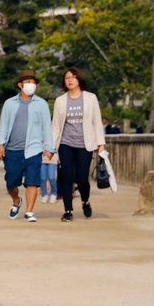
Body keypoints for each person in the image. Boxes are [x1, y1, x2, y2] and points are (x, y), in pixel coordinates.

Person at [0, 69, 55, 223]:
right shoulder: (9, 103)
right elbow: (4, 126)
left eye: (33, 82)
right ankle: (16, 201)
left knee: (32, 181)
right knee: (11, 183)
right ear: (20, 85)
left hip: (33, 149)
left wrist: (49, 147)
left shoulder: (42, 104)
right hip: (12, 150)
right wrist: (0, 144)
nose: (31, 85)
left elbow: (47, 127)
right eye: (28, 82)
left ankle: (29, 211)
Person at [51, 67, 106, 221]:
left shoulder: (90, 98)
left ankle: (85, 201)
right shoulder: (60, 101)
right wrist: (50, 146)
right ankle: (68, 210)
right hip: (65, 144)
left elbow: (97, 122)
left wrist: (101, 144)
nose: (69, 80)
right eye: (67, 78)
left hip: (85, 144)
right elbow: (55, 126)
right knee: (66, 177)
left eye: (72, 77)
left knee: (82, 178)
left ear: (79, 79)